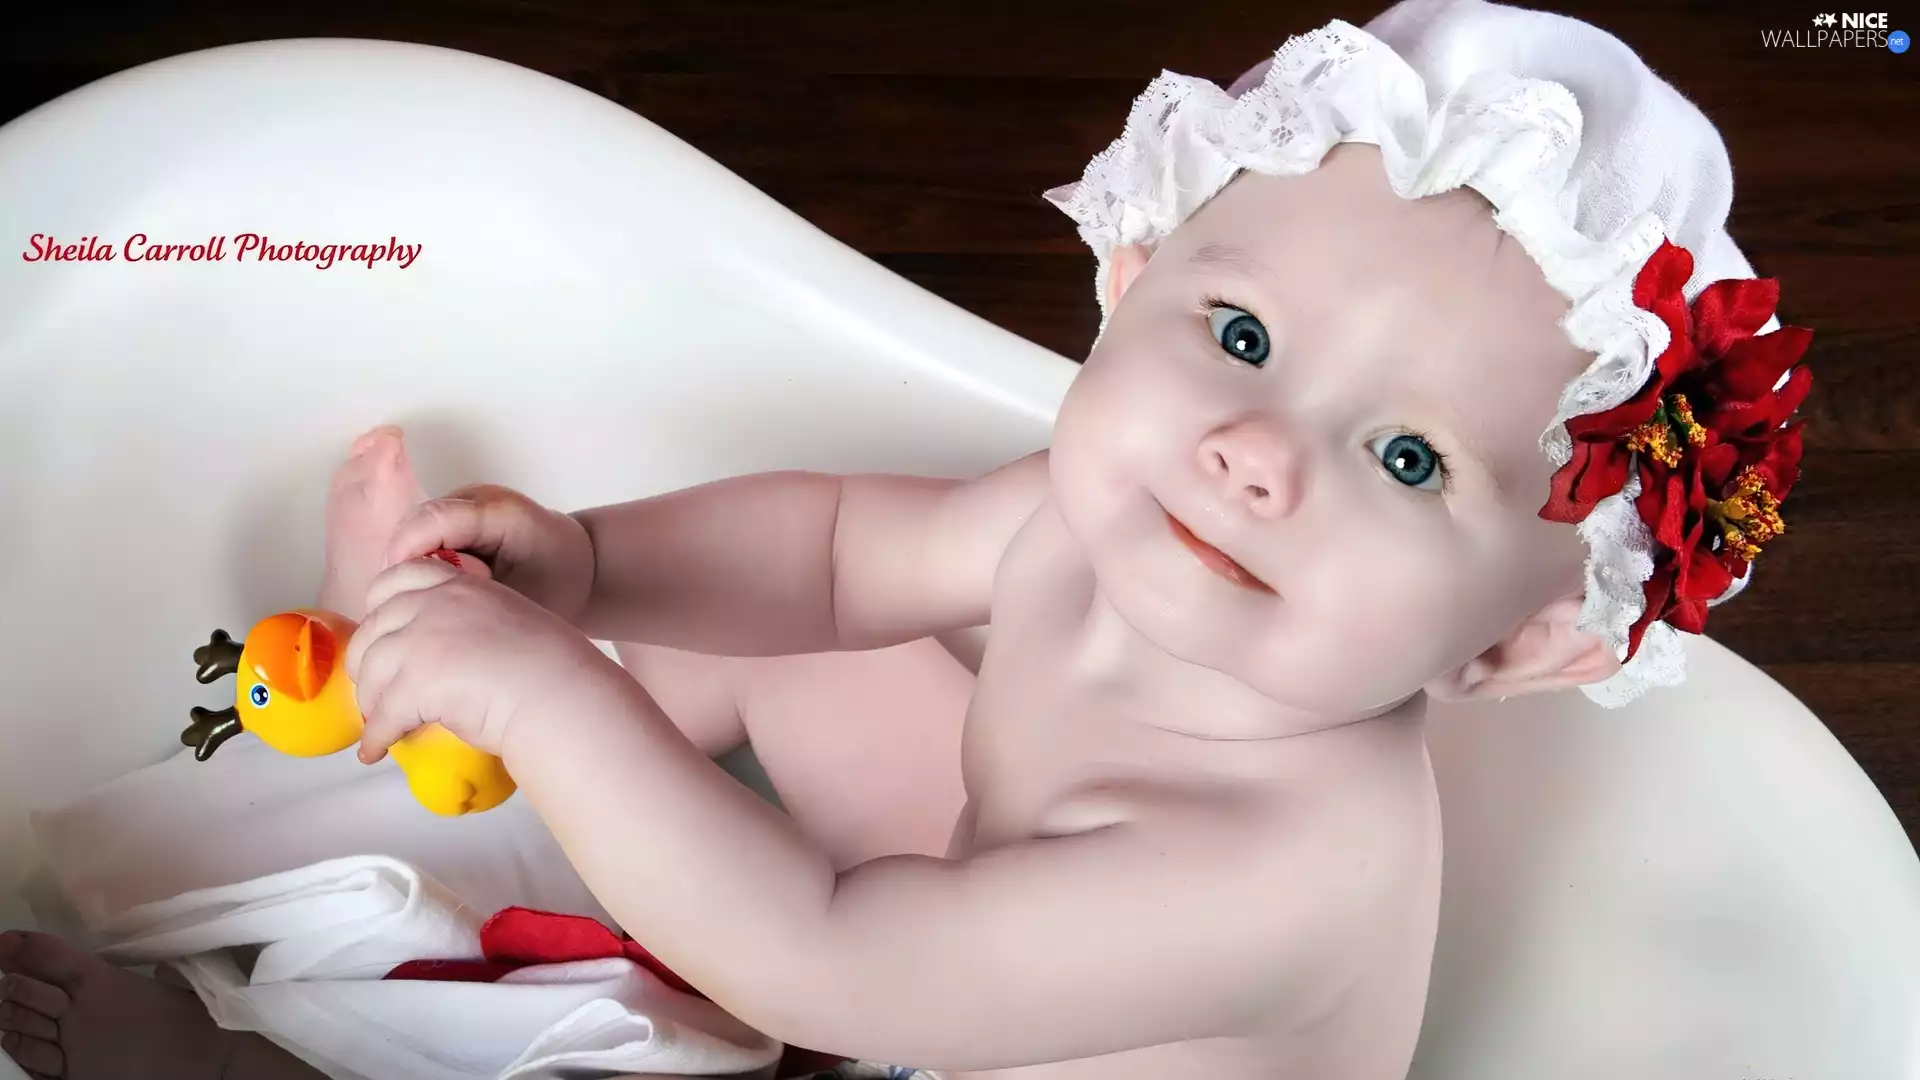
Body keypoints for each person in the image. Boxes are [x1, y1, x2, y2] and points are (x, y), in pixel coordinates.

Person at [0, 2, 1811, 1078]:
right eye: (1242, 341)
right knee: (810, 632)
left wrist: (563, 701)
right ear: (1135, 278)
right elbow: (853, 555)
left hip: (914, 990)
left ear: (1520, 642)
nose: (1257, 452)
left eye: (1408, 457)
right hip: (952, 924)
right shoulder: (1125, 524)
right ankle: (435, 664)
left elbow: (838, 951)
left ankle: (253, 1050)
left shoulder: (1274, 871)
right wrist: (589, 565)